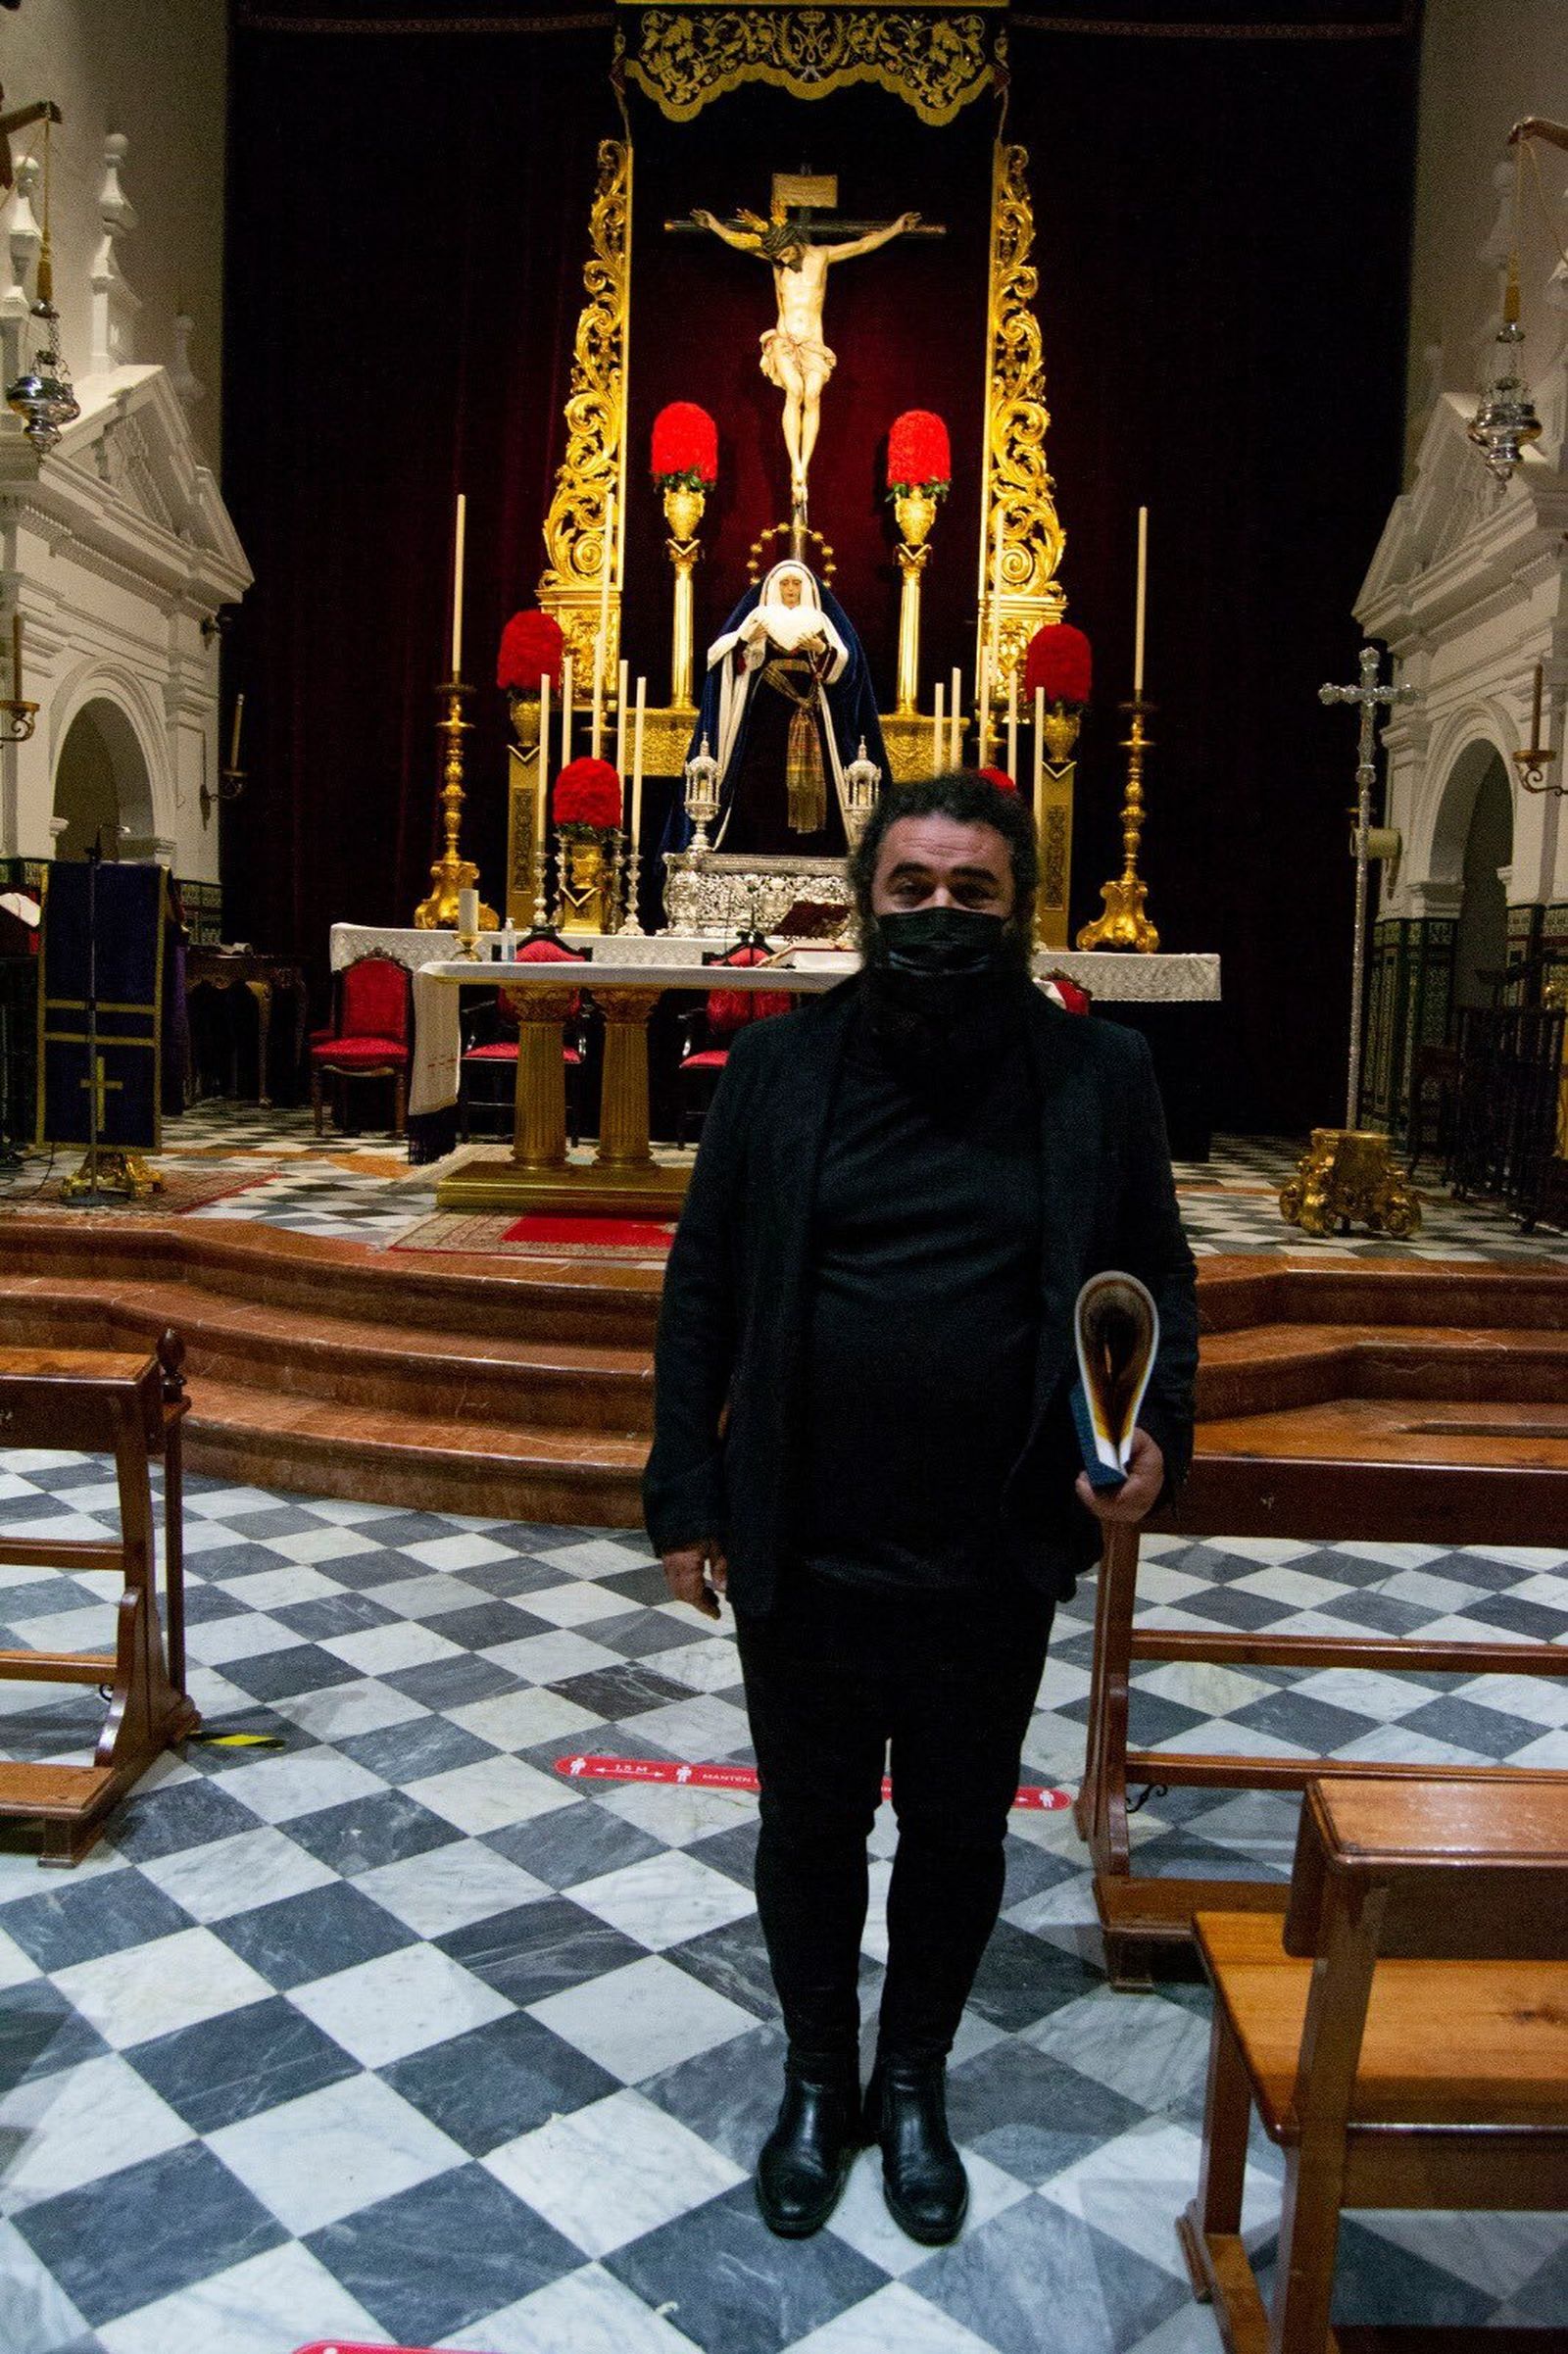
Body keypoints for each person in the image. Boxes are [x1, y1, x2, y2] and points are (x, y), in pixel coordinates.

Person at [645, 771, 1199, 2247]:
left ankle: (914, 2081)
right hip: (803, 1533)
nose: (940, 915)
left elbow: (1160, 1280)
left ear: (1020, 908)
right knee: (811, 1829)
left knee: (957, 1831)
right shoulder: (778, 1068)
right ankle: (818, 2076)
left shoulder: (1099, 1075)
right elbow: (701, 1291)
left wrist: (1157, 1441)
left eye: (973, 894)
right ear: (865, 897)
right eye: (913, 890)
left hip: (994, 1536)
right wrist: (682, 1494)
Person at [691, 207, 919, 500]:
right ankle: (794, 467)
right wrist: (714, 225)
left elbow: (862, 245)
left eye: (786, 254)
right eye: (778, 258)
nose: (783, 261)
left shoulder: (821, 256)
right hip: (784, 339)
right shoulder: (777, 263)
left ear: (794, 241)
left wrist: (896, 228)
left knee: (812, 395)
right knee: (795, 390)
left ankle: (804, 468)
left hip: (812, 343)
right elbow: (741, 242)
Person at [666, 561, 888, 861]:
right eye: (785, 584)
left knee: (815, 782)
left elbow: (846, 671)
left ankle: (812, 847)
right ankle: (758, 844)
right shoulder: (759, 617)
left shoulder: (820, 621)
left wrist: (822, 650)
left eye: (796, 584)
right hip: (766, 714)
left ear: (807, 587)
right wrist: (746, 641)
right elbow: (725, 659)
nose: (791, 590)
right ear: (774, 587)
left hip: (811, 711)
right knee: (760, 780)